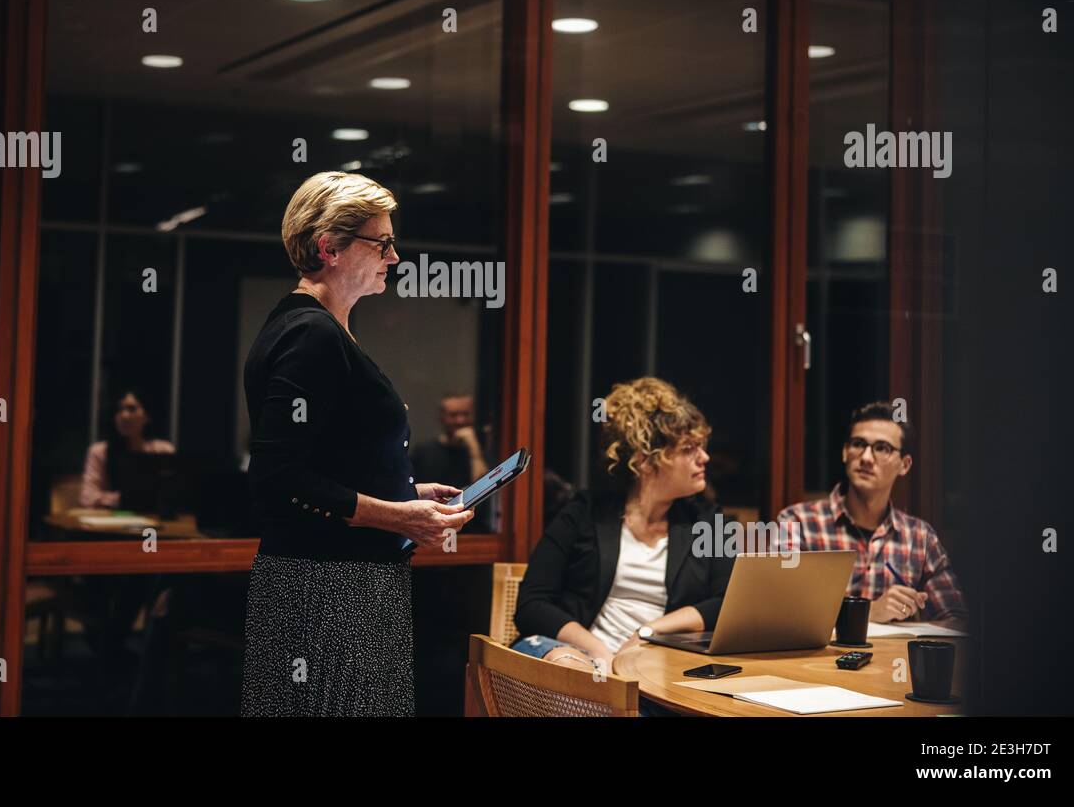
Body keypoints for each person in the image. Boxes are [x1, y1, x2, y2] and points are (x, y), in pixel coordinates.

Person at [240, 170, 474, 717]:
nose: (395, 257)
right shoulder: (311, 334)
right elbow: (277, 480)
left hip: (339, 583)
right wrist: (398, 516)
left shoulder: (319, 328)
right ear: (330, 248)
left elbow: (330, 461)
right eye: (383, 242)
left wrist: (407, 492)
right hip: (327, 592)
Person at [512, 378, 735, 684]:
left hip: (659, 666)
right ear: (644, 460)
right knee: (572, 669)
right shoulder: (584, 513)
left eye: (701, 447)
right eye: (688, 449)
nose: (704, 458)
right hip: (583, 658)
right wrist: (599, 651)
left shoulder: (708, 521)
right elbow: (531, 605)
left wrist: (649, 632)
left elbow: (728, 603)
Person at [778, 401, 967, 625]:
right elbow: (781, 612)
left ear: (904, 465)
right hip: (818, 661)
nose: (866, 458)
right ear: (845, 452)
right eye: (858, 444)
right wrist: (868, 612)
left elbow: (955, 618)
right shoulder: (798, 523)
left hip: (896, 660)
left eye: (882, 448)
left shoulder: (919, 537)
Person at [79, 388, 175, 508]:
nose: (124, 415)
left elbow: (175, 494)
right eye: (119, 410)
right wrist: (125, 498)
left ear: (147, 416)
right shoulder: (100, 451)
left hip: (152, 522)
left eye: (132, 409)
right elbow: (87, 497)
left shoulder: (163, 450)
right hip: (112, 521)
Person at [410, 393, 492, 532]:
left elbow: (485, 489)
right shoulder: (423, 451)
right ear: (441, 418)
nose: (460, 420)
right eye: (453, 415)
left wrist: (474, 449)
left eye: (465, 414)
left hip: (475, 533)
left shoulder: (481, 451)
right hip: (434, 531)